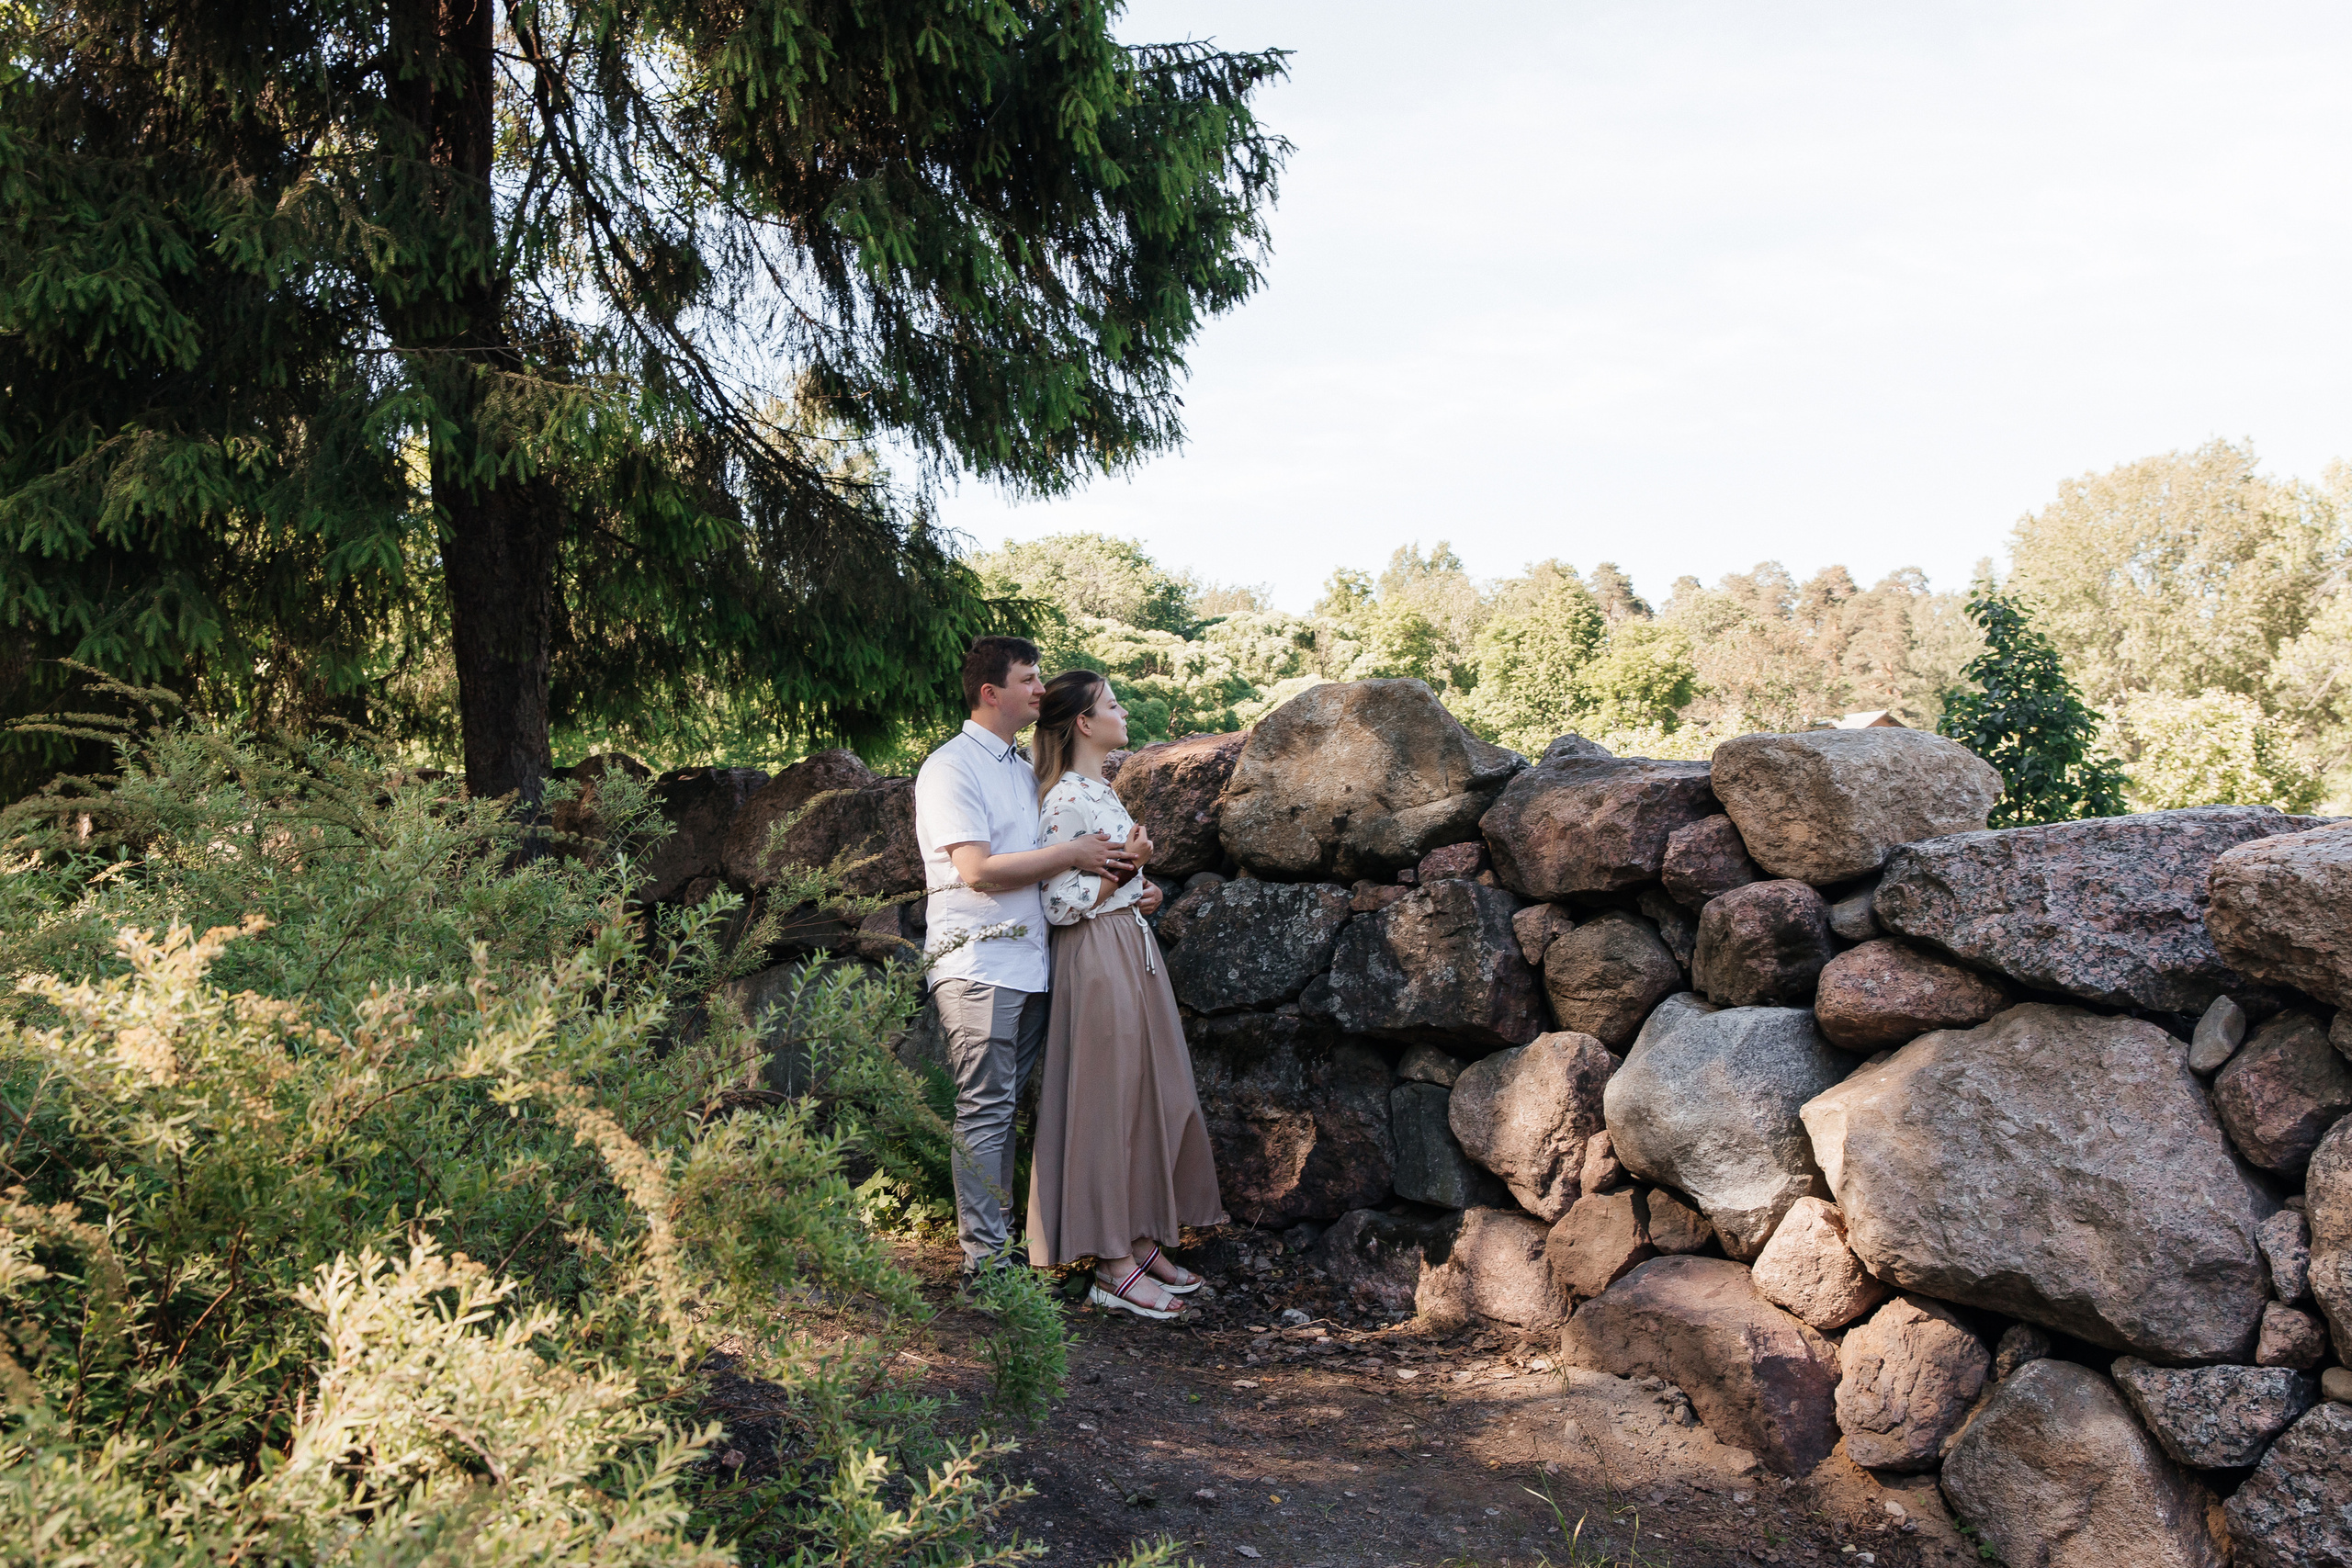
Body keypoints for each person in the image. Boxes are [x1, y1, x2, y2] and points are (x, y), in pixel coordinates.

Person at [914, 636, 1127, 1274]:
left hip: (1031, 964)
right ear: (991, 692)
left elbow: (1049, 872)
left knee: (1006, 1113)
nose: (1041, 689)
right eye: (1029, 679)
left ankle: (1007, 1252)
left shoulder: (1017, 766)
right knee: (985, 1109)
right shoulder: (951, 767)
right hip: (977, 965)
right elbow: (976, 869)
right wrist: (1073, 854)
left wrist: (1118, 886)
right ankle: (988, 1267)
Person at [1025, 670, 1227, 1319]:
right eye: (1111, 704)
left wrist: (1144, 889)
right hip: (1097, 959)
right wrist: (1125, 875)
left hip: (1129, 948)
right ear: (1083, 723)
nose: (1123, 711)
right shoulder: (1063, 802)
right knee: (1107, 1105)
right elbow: (1058, 903)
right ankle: (1112, 1264)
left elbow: (1108, 884)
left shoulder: (1100, 791)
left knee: (1147, 1097)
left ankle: (1139, 1244)